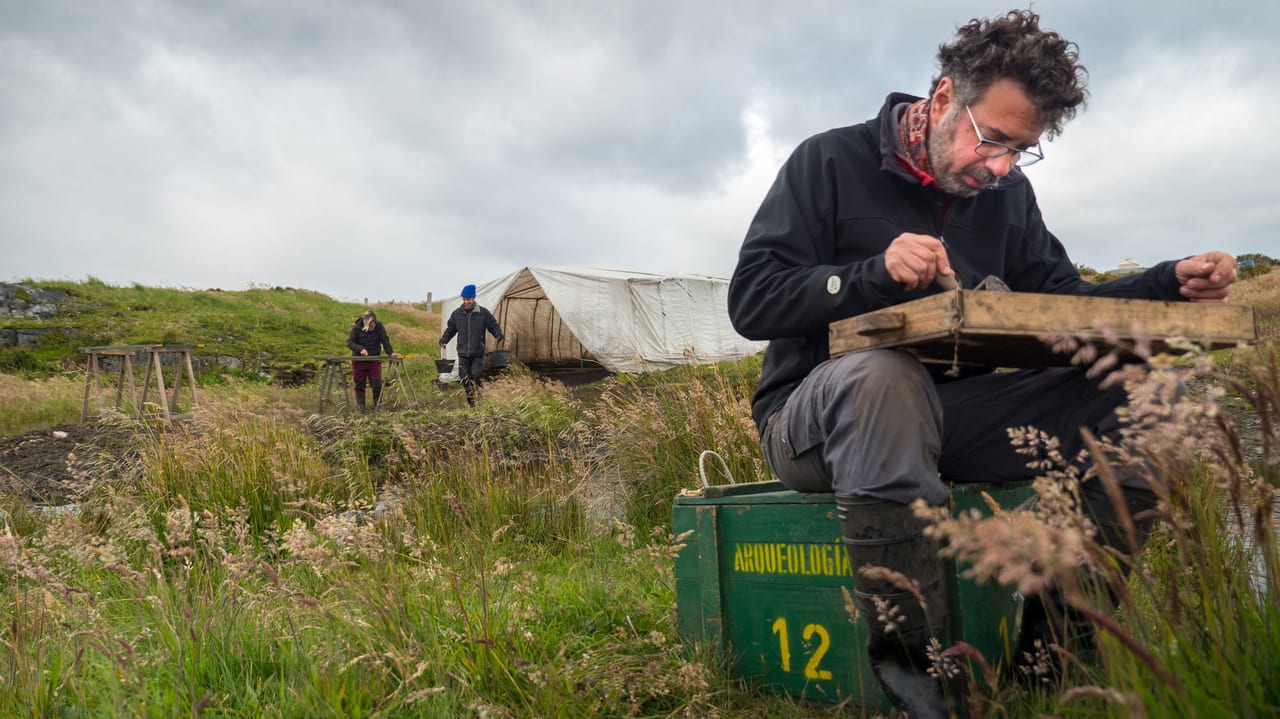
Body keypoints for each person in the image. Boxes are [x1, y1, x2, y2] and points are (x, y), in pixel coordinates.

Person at [727, 10, 1235, 718]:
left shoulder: (1006, 196)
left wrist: (1163, 283)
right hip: (815, 423)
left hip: (951, 421)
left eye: (1020, 151)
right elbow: (751, 300)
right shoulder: (827, 162)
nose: (999, 167)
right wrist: (870, 274)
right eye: (991, 139)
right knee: (885, 376)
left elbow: (1065, 306)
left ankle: (1048, 666)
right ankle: (924, 696)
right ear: (942, 99)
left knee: (1145, 393)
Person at [439, 284, 504, 407]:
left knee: (476, 374)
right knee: (464, 377)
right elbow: (451, 329)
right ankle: (471, 402)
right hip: (463, 352)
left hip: (477, 352)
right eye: (464, 299)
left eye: (468, 299)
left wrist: (498, 334)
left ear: (473, 298)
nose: (466, 302)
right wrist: (444, 340)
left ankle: (480, 395)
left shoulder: (483, 313)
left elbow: (493, 325)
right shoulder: (457, 314)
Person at [346, 309, 394, 412]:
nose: (372, 327)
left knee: (376, 384)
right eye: (370, 325)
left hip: (374, 359)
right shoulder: (356, 328)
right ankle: (361, 408)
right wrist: (361, 349)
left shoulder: (379, 327)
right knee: (360, 385)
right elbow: (350, 342)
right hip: (359, 361)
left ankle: (378, 407)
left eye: (373, 325)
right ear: (365, 323)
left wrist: (390, 353)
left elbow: (385, 340)